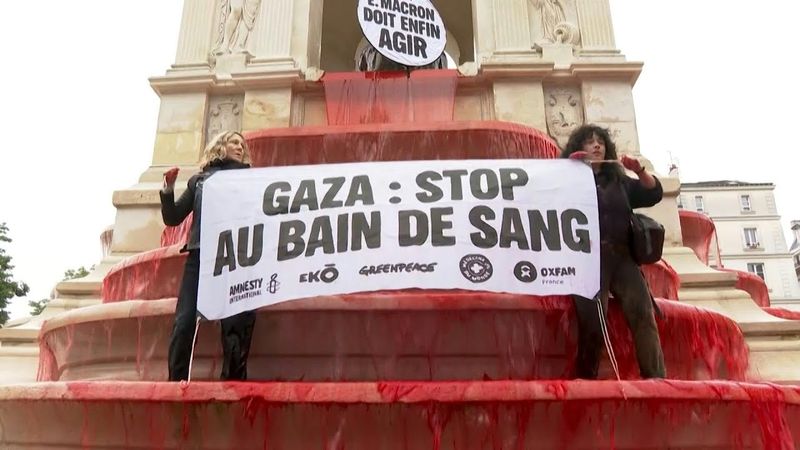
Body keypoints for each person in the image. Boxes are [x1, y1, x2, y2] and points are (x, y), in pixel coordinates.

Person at [561, 125, 666, 379]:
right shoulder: (566, 183)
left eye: (600, 142)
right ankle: (586, 379)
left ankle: (656, 378)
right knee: (593, 324)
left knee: (643, 316)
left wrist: (639, 170)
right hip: (587, 261)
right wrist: (567, 169)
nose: (597, 146)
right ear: (578, 149)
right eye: (589, 142)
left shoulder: (619, 181)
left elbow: (653, 193)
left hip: (623, 259)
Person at [160, 131, 256, 381]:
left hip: (236, 256)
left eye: (242, 144)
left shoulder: (252, 180)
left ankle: (233, 384)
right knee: (184, 322)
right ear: (219, 146)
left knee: (236, 323)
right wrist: (168, 190)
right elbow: (172, 218)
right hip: (200, 257)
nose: (240, 147)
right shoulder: (199, 181)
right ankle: (176, 383)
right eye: (234, 142)